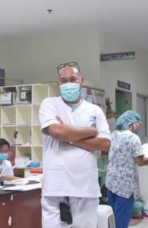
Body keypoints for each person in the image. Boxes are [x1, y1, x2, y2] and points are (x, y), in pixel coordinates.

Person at [38, 61, 111, 228]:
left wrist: (68, 137)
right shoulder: (49, 104)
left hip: (86, 187)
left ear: (81, 80)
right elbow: (56, 132)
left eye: (72, 79)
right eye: (64, 81)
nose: (68, 84)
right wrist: (90, 132)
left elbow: (105, 143)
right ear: (58, 83)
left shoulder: (94, 110)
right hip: (56, 188)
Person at [105, 110, 148, 228]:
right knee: (122, 221)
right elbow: (140, 161)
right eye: (139, 123)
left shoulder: (114, 134)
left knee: (113, 219)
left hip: (111, 182)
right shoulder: (133, 138)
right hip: (125, 186)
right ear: (134, 123)